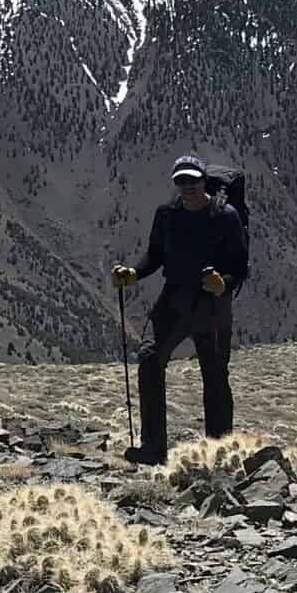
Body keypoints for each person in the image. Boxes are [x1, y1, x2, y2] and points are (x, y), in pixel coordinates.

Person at [114, 153, 249, 462]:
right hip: (174, 299)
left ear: (204, 181)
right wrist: (134, 273)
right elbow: (155, 255)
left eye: (192, 180)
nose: (187, 186)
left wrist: (223, 284)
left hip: (212, 306)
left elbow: (240, 266)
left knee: (214, 375)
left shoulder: (225, 216)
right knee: (149, 359)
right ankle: (153, 448)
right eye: (181, 181)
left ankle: (218, 451)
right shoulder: (167, 215)